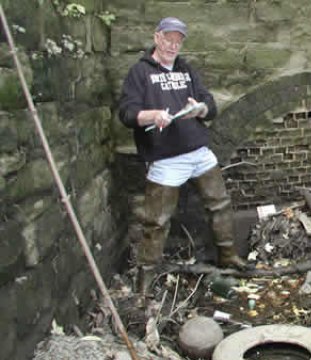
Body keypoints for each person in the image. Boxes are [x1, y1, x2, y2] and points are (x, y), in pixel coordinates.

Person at [119, 17, 247, 294]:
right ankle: (146, 278)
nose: (172, 45)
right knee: (157, 221)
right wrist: (151, 115)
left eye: (178, 41)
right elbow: (127, 114)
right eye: (168, 39)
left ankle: (228, 257)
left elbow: (209, 105)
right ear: (157, 38)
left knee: (220, 204)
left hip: (199, 152)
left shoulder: (186, 69)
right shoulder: (140, 73)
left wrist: (199, 109)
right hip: (165, 158)